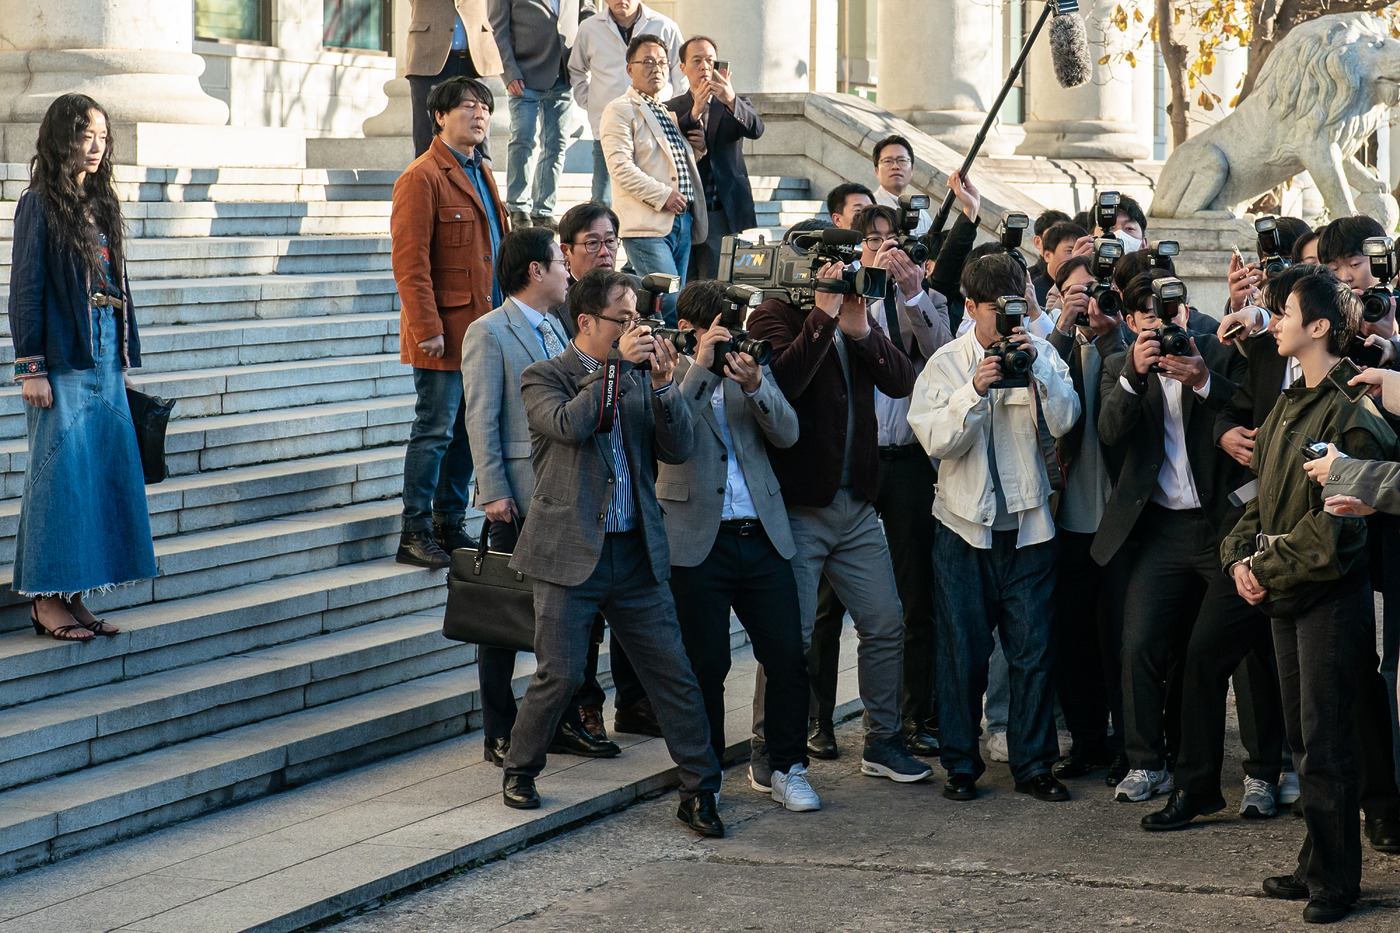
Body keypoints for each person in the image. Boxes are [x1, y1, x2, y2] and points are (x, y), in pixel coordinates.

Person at [502, 268, 725, 838]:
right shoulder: (544, 376)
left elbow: (678, 447)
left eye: (637, 319)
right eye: (623, 320)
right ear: (586, 321)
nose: (636, 330)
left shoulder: (638, 373)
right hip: (568, 550)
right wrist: (618, 368)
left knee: (673, 674)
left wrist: (664, 387)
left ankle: (701, 790)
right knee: (560, 674)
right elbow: (571, 425)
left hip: (634, 551)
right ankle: (521, 767)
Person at [1221, 272, 1396, 923]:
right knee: (1302, 736)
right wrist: (1238, 557)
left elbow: (1338, 529)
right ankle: (1316, 863)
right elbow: (1260, 494)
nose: (1274, 320)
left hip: (1326, 595)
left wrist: (1263, 564)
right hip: (1287, 591)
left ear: (1319, 327)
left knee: (1326, 743)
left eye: (1286, 311)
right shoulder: (1290, 401)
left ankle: (1336, 881)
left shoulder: (1351, 410)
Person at [746, 232, 932, 789]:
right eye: (831, 266)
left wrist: (862, 330)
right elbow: (782, 388)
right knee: (791, 637)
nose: (842, 275)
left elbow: (903, 383)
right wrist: (822, 318)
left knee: (885, 622)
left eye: (846, 265)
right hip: (799, 505)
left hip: (856, 504)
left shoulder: (856, 312)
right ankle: (768, 747)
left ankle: (882, 741)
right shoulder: (771, 315)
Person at [907, 252, 1080, 804]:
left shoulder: (1041, 352)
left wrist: (1040, 371)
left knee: (1033, 652)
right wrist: (975, 392)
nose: (1007, 321)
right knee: (962, 654)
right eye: (995, 310)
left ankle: (1034, 764)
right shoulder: (946, 364)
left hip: (1029, 528)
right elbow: (936, 442)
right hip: (963, 530)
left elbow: (1066, 421)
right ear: (970, 307)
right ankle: (961, 764)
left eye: (1015, 308)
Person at [461, 227, 621, 765]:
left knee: (567, 617)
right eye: (558, 261)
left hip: (566, 492)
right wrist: (492, 491)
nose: (566, 271)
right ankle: (499, 730)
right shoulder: (489, 331)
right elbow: (480, 416)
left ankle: (562, 721)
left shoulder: (557, 325)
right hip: (518, 497)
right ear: (534, 270)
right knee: (502, 619)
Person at [805, 201, 957, 759]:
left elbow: (943, 357)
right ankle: (818, 718)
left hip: (910, 461)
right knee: (827, 604)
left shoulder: (926, 296)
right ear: (855, 247)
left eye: (892, 239)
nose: (885, 249)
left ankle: (913, 716)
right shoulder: (833, 298)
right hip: (852, 463)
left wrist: (913, 293)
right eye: (873, 240)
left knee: (914, 595)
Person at [661, 280, 818, 812]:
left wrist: (755, 387)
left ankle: (787, 767)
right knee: (706, 667)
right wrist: (702, 368)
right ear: (689, 329)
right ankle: (702, 781)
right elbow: (671, 436)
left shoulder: (750, 366)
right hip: (696, 540)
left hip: (762, 532)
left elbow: (789, 434)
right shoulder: (662, 371)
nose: (733, 338)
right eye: (721, 329)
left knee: (787, 656)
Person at [1092, 271, 1248, 807]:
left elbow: (1251, 410)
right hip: (1159, 528)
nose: (1165, 326)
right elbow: (1109, 432)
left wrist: (1202, 380)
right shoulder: (1120, 364)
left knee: (1244, 651)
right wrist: (1135, 375)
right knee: (1138, 642)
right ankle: (1145, 762)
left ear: (1187, 310)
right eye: (1151, 317)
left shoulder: (1217, 353)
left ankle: (1265, 770)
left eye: (1173, 312)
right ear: (1133, 323)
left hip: (1221, 524)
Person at [9, 92, 155, 641]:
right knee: (60, 477)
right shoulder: (39, 202)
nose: (95, 147)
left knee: (96, 475)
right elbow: (25, 288)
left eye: (101, 137)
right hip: (63, 358)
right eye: (84, 135)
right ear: (60, 139)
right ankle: (46, 600)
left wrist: (122, 358)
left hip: (104, 357)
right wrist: (31, 368)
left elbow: (117, 286)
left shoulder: (100, 201)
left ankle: (76, 594)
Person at [552, 201, 659, 739]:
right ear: (566, 251)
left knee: (636, 611)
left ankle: (635, 702)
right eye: (591, 242)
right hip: (570, 486)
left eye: (610, 240)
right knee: (580, 620)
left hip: (628, 485)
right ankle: (583, 707)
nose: (603, 250)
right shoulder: (557, 312)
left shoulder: (631, 303)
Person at [391, 76, 507, 569]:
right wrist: (427, 329)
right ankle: (414, 531)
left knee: (468, 431)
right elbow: (410, 263)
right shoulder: (421, 177)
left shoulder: (483, 171)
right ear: (438, 116)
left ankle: (448, 522)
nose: (479, 115)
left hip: (485, 330)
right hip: (444, 332)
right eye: (467, 106)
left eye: (485, 107)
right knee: (435, 429)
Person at [1043, 255, 1130, 783]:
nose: (1089, 301)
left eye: (1096, 290)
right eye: (1077, 292)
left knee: (1121, 639)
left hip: (1118, 518)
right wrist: (1061, 328)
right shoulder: (1050, 347)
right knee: (1073, 638)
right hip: (1068, 518)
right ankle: (1087, 740)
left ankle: (1129, 743)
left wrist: (1109, 332)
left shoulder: (1123, 341)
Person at [600, 33, 706, 325]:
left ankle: (646, 347)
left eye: (661, 62)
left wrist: (696, 149)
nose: (656, 68)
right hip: (647, 223)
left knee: (668, 302)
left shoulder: (666, 112)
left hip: (682, 221)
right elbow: (620, 167)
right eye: (647, 62)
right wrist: (663, 195)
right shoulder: (620, 109)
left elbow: (670, 165)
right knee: (668, 300)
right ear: (629, 69)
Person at [489, 0, 595, 230]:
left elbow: (587, 13)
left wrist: (586, 54)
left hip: (564, 73)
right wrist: (509, 72)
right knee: (523, 139)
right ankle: (518, 207)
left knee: (556, 144)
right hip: (524, 75)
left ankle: (543, 210)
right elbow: (498, 28)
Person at [666, 36, 764, 279]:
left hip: (720, 209)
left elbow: (756, 130)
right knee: (683, 284)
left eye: (710, 60)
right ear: (683, 68)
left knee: (716, 286)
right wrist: (694, 114)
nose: (704, 67)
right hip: (682, 210)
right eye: (697, 61)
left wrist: (731, 100)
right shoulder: (670, 108)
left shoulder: (735, 104)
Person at [569, 0, 685, 205]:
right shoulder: (589, 28)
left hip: (655, 127)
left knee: (653, 195)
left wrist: (673, 111)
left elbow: (680, 75)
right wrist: (590, 102)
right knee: (603, 200)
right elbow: (576, 69)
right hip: (608, 125)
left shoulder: (665, 26)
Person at [405, 0, 504, 159]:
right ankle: (427, 173)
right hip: (428, 54)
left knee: (479, 126)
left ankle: (480, 173)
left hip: (474, 55)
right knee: (427, 129)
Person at [871, 135, 929, 236]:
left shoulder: (923, 214)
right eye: (888, 161)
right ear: (877, 171)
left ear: (911, 169)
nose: (895, 166)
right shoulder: (870, 208)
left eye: (902, 160)